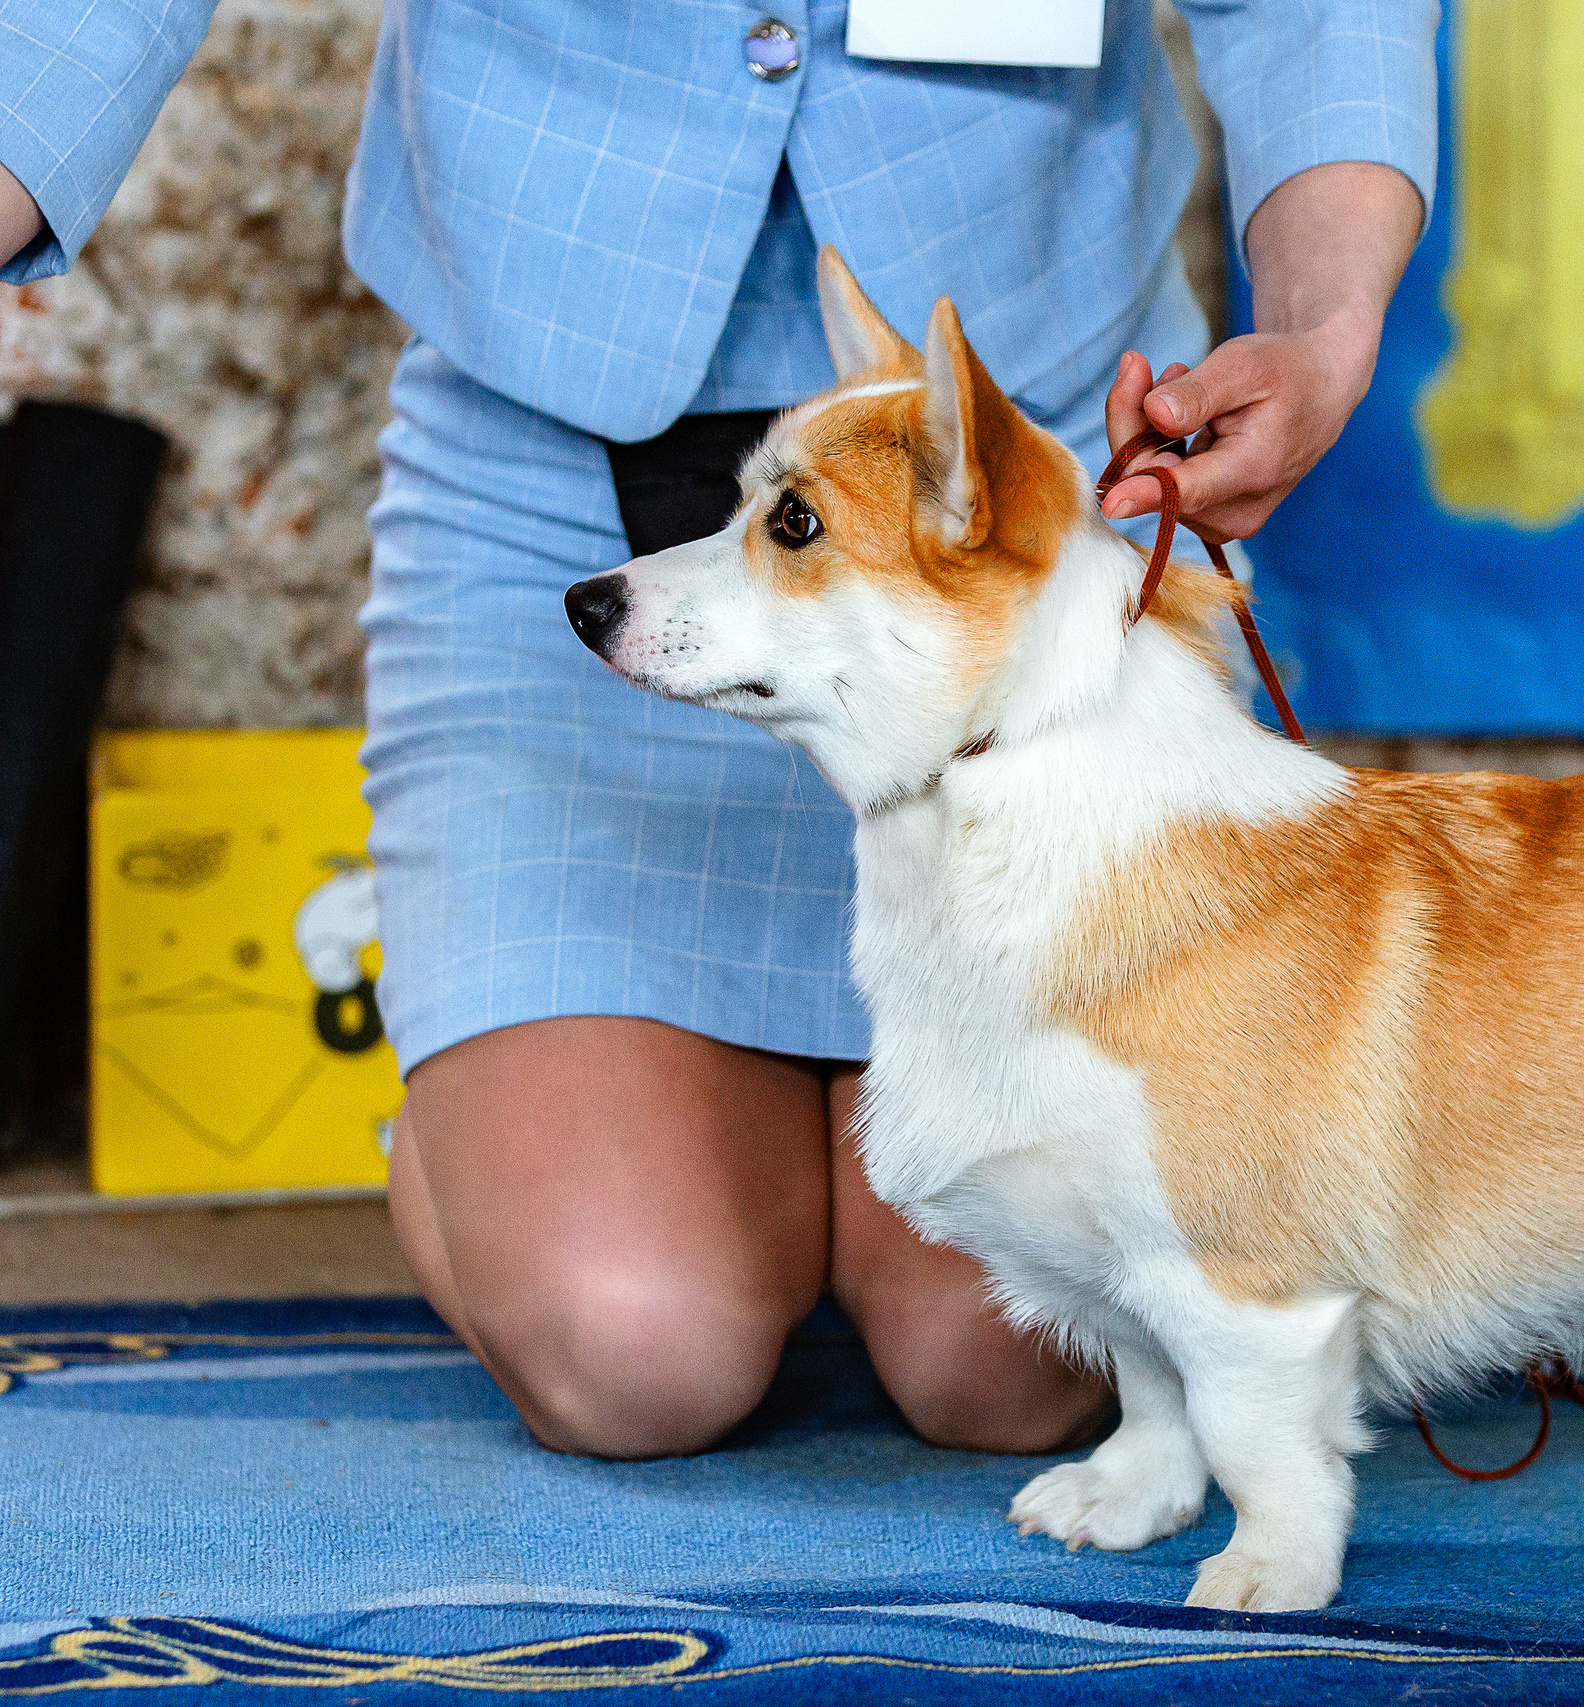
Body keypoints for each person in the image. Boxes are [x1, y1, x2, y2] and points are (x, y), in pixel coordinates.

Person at [0, 1, 1432, 1459]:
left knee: (1010, 1372)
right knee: (638, 1349)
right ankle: (518, 1091)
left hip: (1021, 484)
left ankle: (774, 1129)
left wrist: (1325, 331)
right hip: (556, 481)